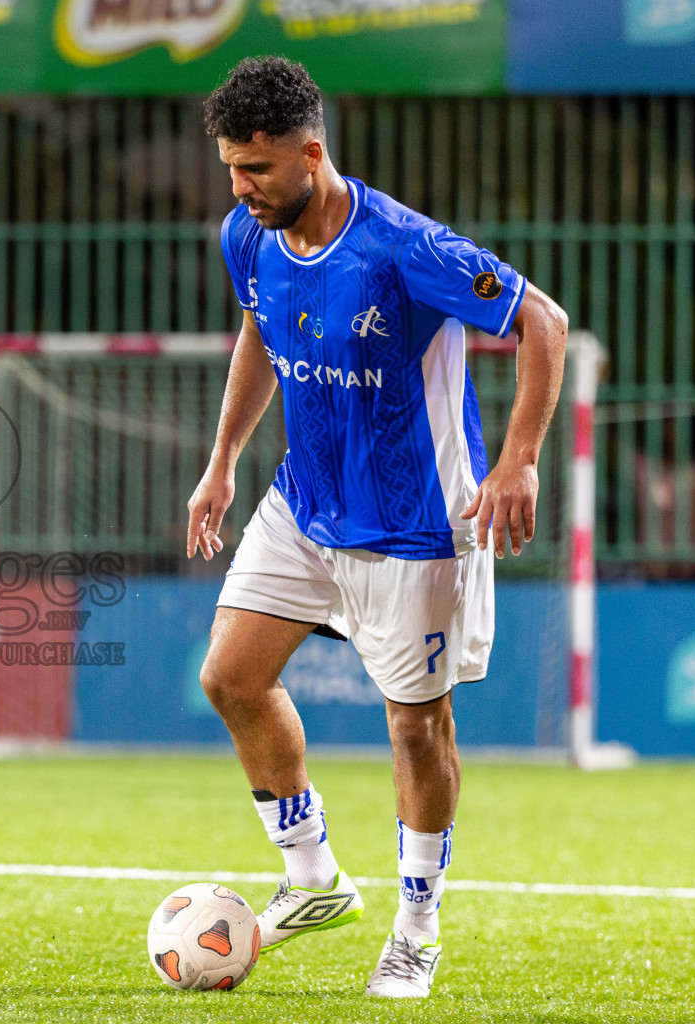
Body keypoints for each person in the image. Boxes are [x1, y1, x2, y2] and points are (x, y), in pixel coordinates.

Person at [187, 58, 566, 999]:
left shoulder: (403, 246)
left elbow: (544, 323)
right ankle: (313, 878)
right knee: (231, 678)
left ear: (311, 153)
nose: (240, 189)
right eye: (232, 168)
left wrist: (516, 462)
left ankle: (417, 926)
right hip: (304, 504)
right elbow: (259, 333)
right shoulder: (250, 234)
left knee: (415, 729)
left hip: (415, 526)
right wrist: (223, 460)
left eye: (257, 169)